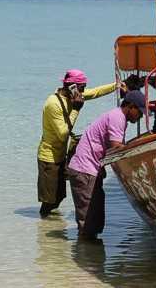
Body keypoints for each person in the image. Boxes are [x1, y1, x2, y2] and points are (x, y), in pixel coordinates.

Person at [37, 69, 121, 218]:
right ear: (72, 87)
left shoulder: (72, 95)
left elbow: (95, 92)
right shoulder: (53, 104)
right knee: (49, 200)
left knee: (59, 197)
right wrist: (76, 109)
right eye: (81, 88)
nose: (82, 92)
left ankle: (48, 226)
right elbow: (63, 135)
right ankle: (44, 227)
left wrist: (118, 85)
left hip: (61, 156)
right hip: (49, 157)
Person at [67, 90, 146, 241]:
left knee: (95, 219)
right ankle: (86, 258)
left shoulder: (117, 116)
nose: (141, 116)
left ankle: (92, 257)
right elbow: (116, 146)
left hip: (89, 170)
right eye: (139, 112)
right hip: (85, 170)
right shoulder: (118, 118)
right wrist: (137, 150)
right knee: (88, 221)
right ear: (130, 106)